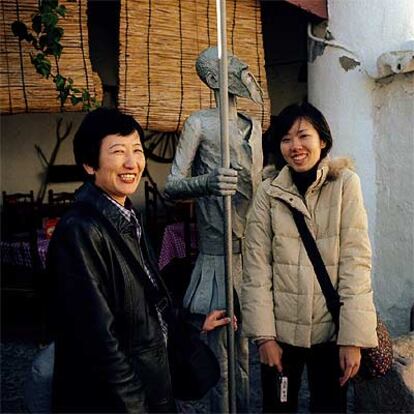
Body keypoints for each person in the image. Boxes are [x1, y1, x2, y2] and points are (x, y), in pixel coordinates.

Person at [241, 102, 378, 413]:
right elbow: (256, 268)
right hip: (281, 333)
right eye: (286, 139)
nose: (295, 146)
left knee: (330, 407)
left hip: (332, 332)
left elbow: (356, 262)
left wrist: (352, 338)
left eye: (304, 136)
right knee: (278, 407)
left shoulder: (345, 185)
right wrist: (264, 338)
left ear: (323, 140)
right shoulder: (268, 192)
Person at [46, 108, 177, 413]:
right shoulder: (80, 230)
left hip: (147, 385)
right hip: (113, 401)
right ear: (90, 164)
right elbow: (98, 342)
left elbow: (141, 298)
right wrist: (136, 406)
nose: (132, 163)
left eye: (137, 150)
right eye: (118, 152)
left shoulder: (126, 216)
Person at [164, 47, 264, 412]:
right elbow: (172, 183)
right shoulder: (199, 124)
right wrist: (206, 182)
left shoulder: (254, 126)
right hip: (215, 254)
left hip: (249, 255)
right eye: (230, 64)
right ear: (212, 78)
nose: (241, 67)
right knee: (219, 353)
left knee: (246, 351)